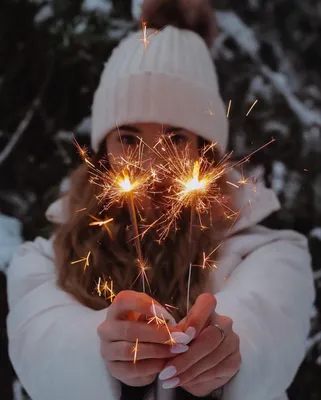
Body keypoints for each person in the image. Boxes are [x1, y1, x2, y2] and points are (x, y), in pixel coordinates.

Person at [6, 1, 315, 399]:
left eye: (176, 139)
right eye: (129, 138)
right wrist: (99, 349)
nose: (151, 164)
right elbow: (40, 342)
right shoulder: (44, 261)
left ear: (205, 151)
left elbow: (267, 322)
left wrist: (228, 351)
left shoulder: (272, 253)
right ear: (102, 152)